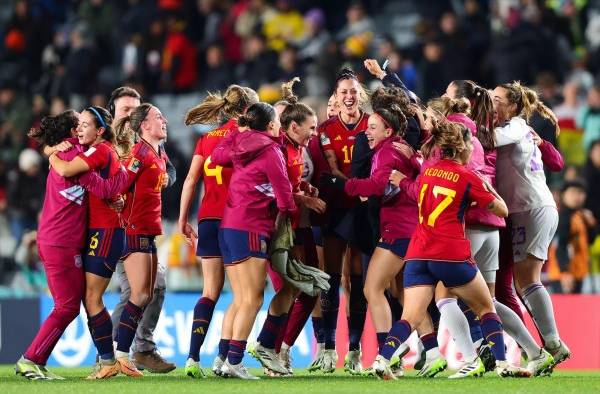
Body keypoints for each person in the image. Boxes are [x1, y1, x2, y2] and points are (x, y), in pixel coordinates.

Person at [373, 121, 530, 380]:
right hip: (450, 253)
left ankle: (382, 359)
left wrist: (402, 181)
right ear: (462, 147)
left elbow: (414, 192)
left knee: (410, 317)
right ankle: (503, 364)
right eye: (470, 145)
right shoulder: (468, 176)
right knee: (486, 309)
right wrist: (488, 189)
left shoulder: (428, 173)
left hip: (418, 254)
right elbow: (501, 210)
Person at [15, 110, 127, 380]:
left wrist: (50, 149)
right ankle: (30, 359)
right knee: (66, 306)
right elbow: (102, 189)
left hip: (61, 240)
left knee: (71, 303)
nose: (83, 127)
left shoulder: (69, 152)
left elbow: (55, 153)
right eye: (80, 123)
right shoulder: (73, 156)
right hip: (59, 241)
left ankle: (37, 360)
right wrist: (126, 174)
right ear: (72, 131)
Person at [211, 103, 296, 379]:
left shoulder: (239, 143)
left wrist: (235, 132)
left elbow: (217, 155)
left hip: (229, 225)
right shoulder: (271, 151)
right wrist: (287, 215)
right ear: (272, 125)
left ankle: (223, 359)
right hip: (251, 227)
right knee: (253, 298)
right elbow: (285, 198)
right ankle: (235, 361)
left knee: (240, 298)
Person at [178, 85, 258, 378]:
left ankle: (192, 358)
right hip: (236, 221)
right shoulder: (248, 138)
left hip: (208, 219)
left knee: (209, 291)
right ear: (248, 110)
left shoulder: (206, 139)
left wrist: (183, 218)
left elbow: (190, 180)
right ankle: (224, 358)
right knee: (242, 295)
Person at [249, 79, 325, 376]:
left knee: (306, 288)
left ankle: (276, 347)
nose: (314, 132)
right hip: (276, 226)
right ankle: (267, 348)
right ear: (293, 127)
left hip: (293, 225)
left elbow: (287, 183)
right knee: (291, 288)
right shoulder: (277, 148)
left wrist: (302, 187)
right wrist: (303, 198)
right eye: (311, 127)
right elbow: (270, 187)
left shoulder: (294, 149)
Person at [47, 106, 130, 379]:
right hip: (99, 231)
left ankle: (108, 362)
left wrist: (53, 156)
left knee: (92, 298)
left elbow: (68, 168)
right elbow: (108, 188)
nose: (79, 129)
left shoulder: (100, 150)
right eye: (78, 124)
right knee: (90, 298)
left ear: (100, 131)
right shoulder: (95, 150)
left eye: (85, 124)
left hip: (105, 232)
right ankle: (108, 360)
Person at [492, 81, 570, 368]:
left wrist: (462, 128)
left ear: (513, 106)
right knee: (521, 281)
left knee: (527, 280)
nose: (492, 102)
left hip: (530, 208)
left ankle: (552, 343)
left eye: (497, 98)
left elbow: (494, 141)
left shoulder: (515, 126)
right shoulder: (520, 129)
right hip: (529, 209)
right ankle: (548, 343)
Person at [107, 87, 176, 374]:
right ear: (144, 124)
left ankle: (123, 354)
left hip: (148, 230)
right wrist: (116, 200)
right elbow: (119, 183)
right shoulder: (137, 153)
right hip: (130, 229)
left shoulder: (156, 152)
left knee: (146, 293)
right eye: (159, 117)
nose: (165, 121)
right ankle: (117, 354)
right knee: (137, 295)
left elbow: (167, 174)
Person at [317, 68, 370, 373]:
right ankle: (327, 348)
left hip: (363, 210)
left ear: (359, 94)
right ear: (335, 97)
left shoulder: (372, 125)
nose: (349, 96)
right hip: (336, 209)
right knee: (332, 279)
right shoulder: (325, 129)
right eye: (344, 92)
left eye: (353, 91)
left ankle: (354, 349)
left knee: (358, 280)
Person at [548, 180, 595, 294]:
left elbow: (589, 241)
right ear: (564, 195)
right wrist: (565, 272)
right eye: (573, 193)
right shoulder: (563, 216)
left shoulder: (579, 215)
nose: (577, 197)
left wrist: (591, 226)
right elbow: (560, 245)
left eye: (580, 193)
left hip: (577, 272)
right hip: (564, 275)